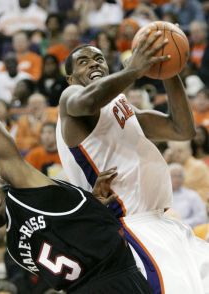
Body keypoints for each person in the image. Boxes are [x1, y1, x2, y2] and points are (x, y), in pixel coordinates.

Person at [0, 35, 153, 294]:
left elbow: (64, 233)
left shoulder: (16, 249)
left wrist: (88, 204)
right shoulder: (22, 191)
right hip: (120, 279)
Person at [55, 33, 209, 292]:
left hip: (163, 221)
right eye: (83, 61)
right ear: (70, 78)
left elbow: (181, 130)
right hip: (128, 224)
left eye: (99, 58)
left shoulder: (119, 103)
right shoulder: (71, 97)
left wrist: (169, 71)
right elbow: (88, 101)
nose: (93, 63)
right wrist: (134, 70)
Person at [168, 163, 208, 228]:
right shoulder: (160, 196)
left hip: (186, 229)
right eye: (173, 176)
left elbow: (202, 218)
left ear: (183, 178)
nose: (177, 179)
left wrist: (182, 223)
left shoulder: (192, 195)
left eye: (180, 176)